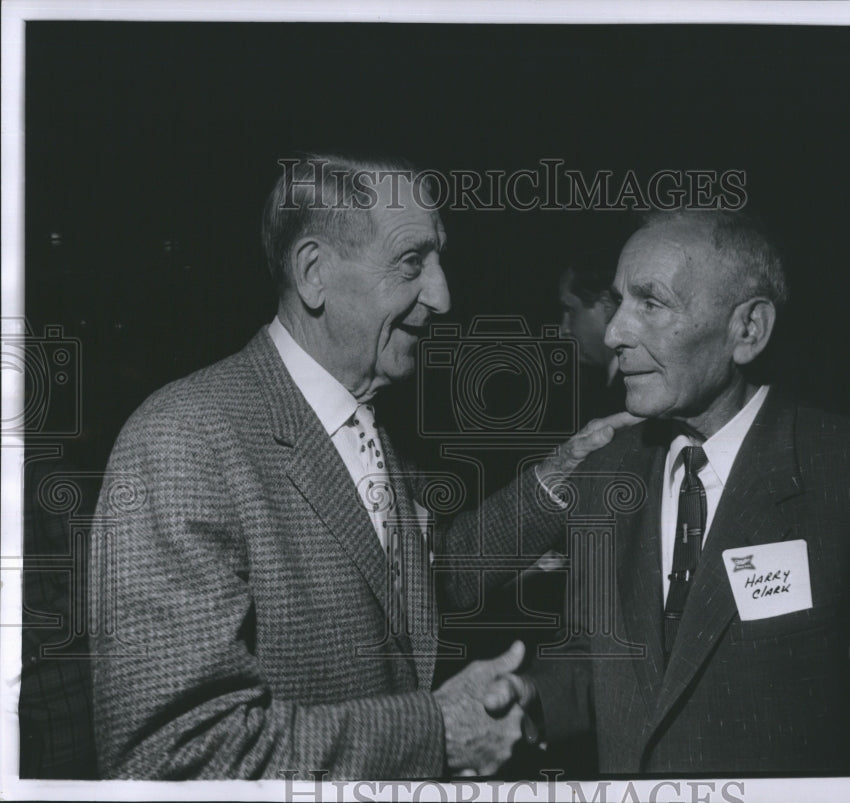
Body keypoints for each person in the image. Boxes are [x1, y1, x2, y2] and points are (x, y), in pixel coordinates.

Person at [88, 154, 637, 780]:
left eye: (438, 261)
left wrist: (562, 470)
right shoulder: (183, 440)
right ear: (314, 273)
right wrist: (438, 734)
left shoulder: (371, 419)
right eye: (411, 263)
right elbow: (172, 758)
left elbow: (431, 584)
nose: (442, 295)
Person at [486, 209, 850, 775]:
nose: (615, 333)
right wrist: (533, 697)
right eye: (617, 303)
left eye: (652, 303)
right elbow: (602, 663)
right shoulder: (605, 475)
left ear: (748, 330)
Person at [557, 252, 625, 424]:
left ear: (606, 305)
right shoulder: (614, 388)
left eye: (570, 310)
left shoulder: (628, 393)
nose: (563, 329)